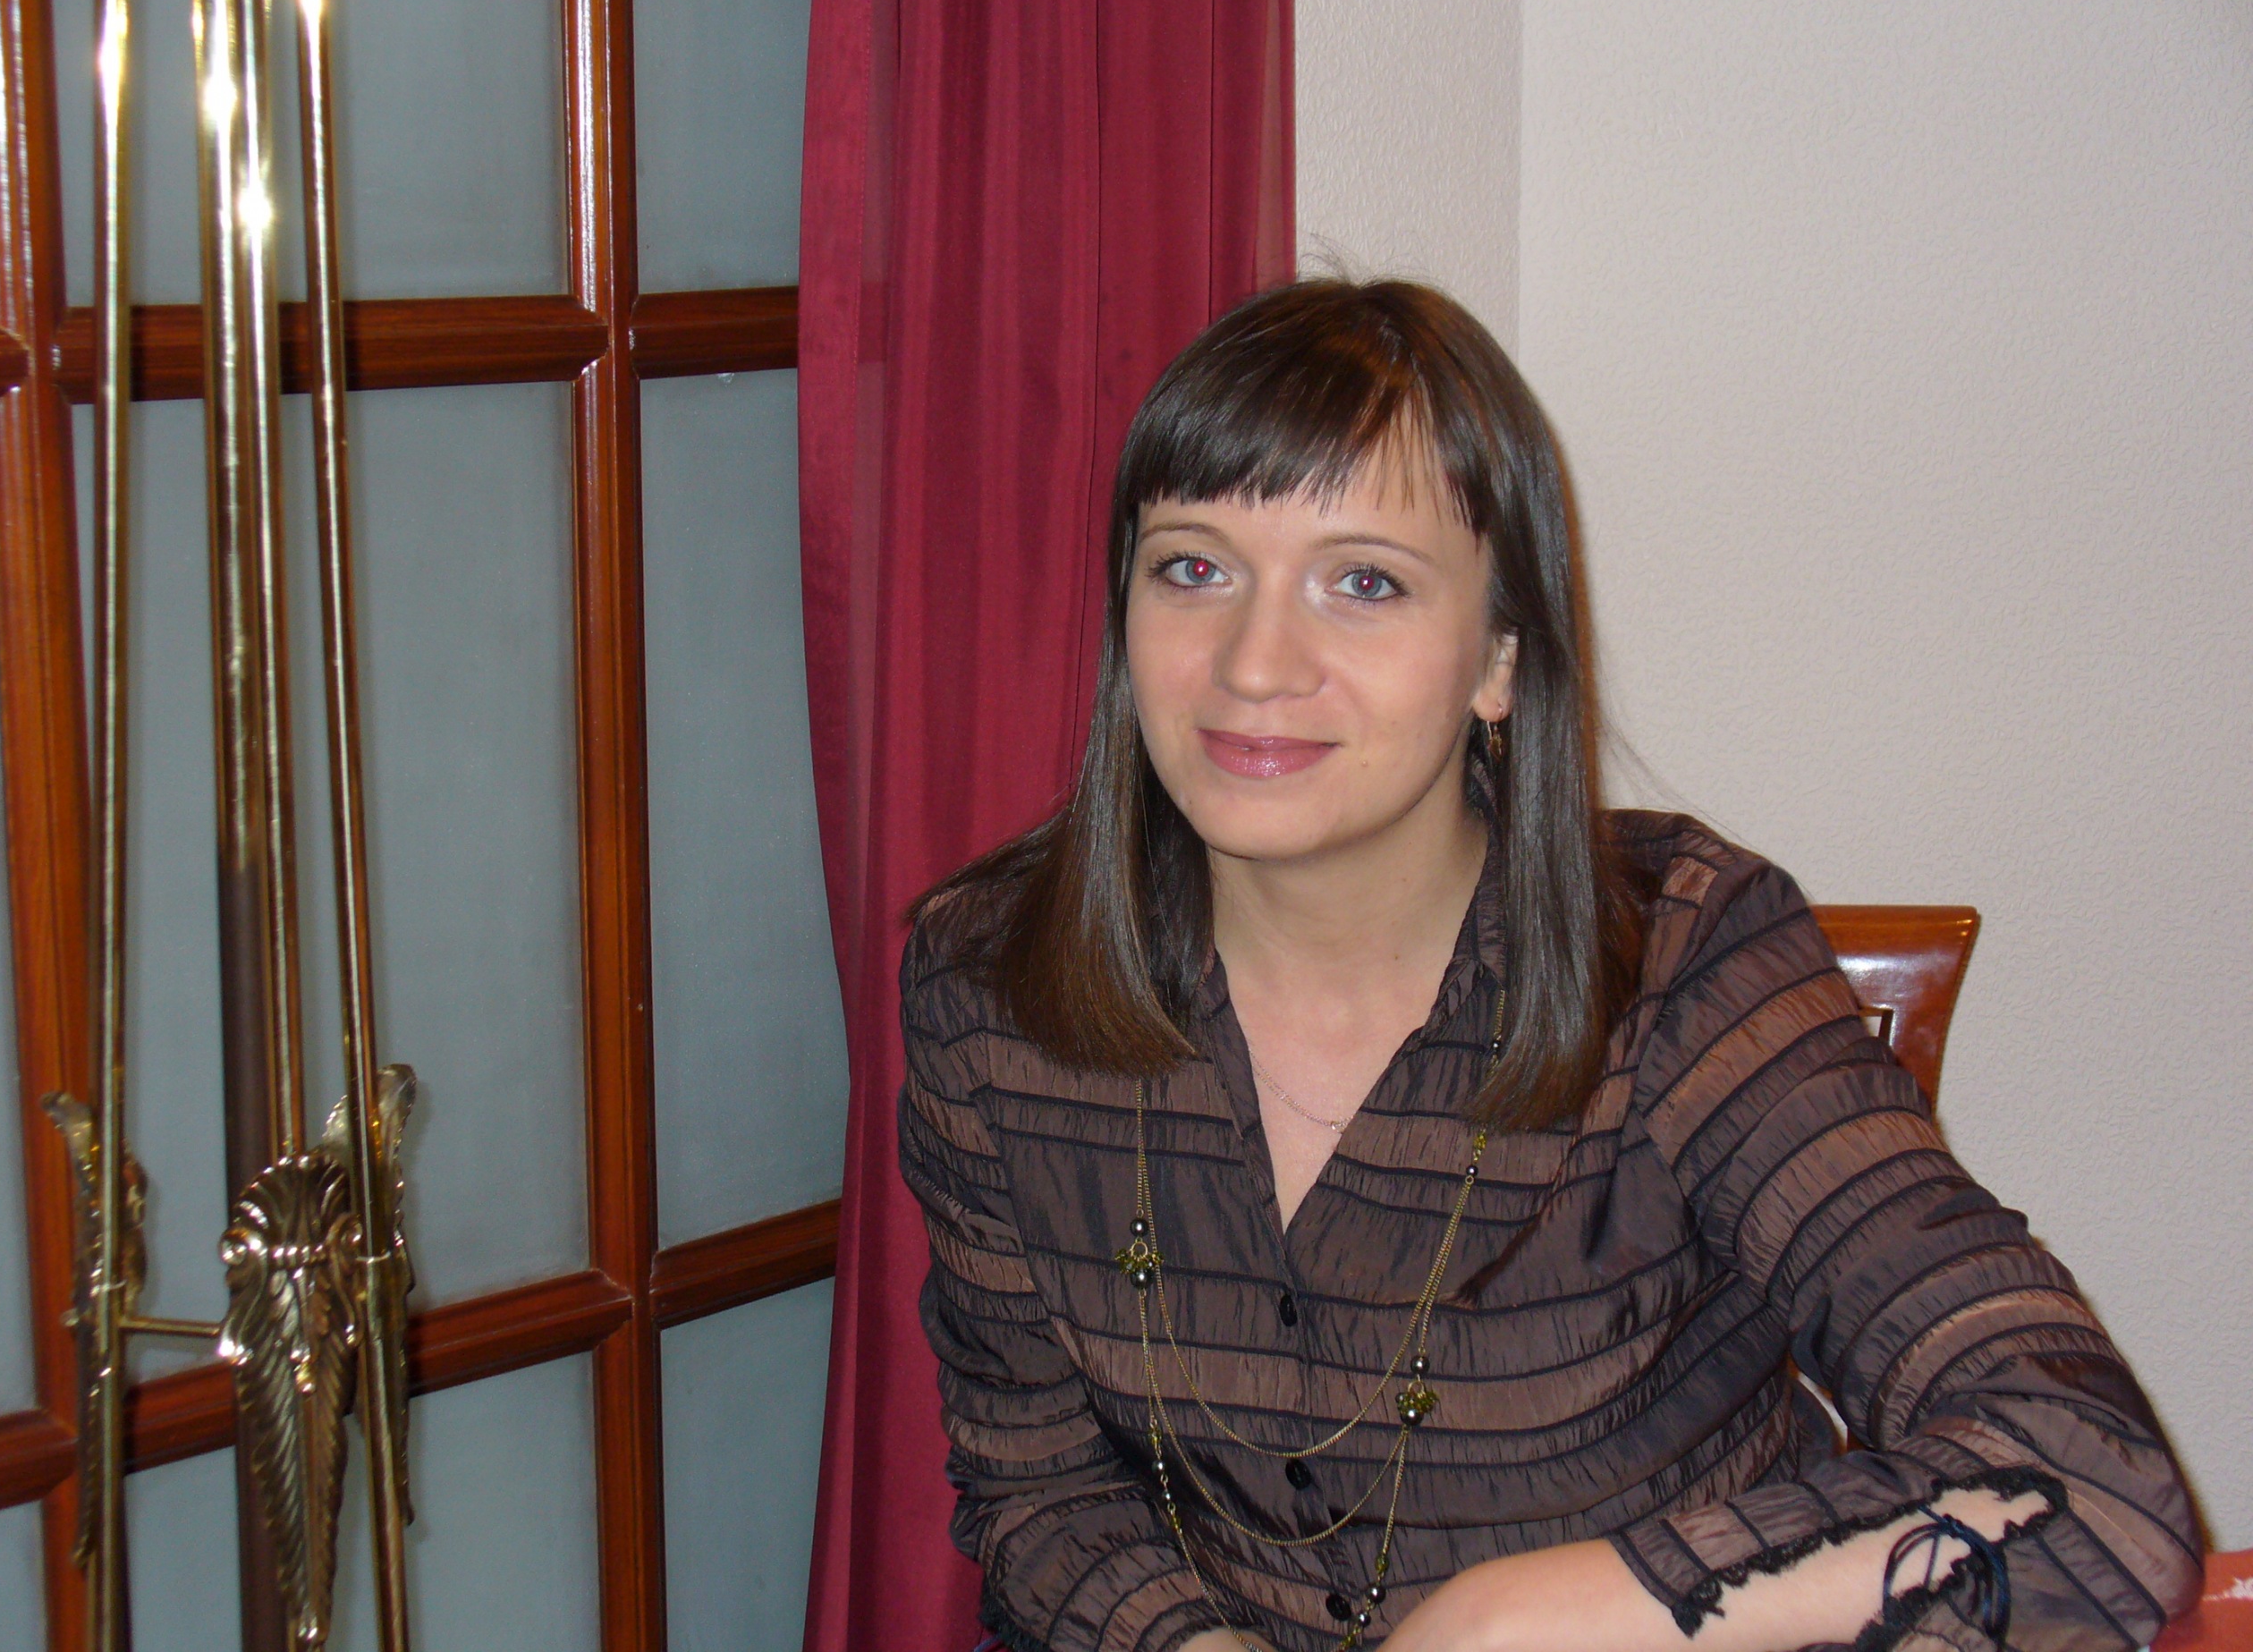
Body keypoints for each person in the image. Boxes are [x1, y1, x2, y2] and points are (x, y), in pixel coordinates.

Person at [896, 278, 2198, 1652]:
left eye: (1364, 582)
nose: (1255, 664)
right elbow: (1042, 1487)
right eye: (1195, 569)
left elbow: (2092, 1483)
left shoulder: (1684, 959)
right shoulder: (990, 986)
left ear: (1500, 660)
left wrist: (1524, 1617)